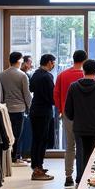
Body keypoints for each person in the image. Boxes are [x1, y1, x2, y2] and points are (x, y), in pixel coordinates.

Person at [63, 58, 95, 183]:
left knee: (80, 154)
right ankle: (93, 179)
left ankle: (80, 179)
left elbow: (68, 110)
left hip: (79, 127)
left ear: (83, 70)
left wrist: (77, 118)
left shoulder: (74, 87)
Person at [53, 49, 87, 189]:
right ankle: (82, 176)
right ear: (85, 60)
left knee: (69, 147)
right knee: (83, 146)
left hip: (67, 115)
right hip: (85, 116)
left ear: (73, 59)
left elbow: (56, 95)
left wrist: (61, 110)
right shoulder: (87, 76)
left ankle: (68, 177)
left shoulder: (62, 75)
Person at [0, 50, 31, 165]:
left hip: (7, 107)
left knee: (8, 132)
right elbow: (26, 94)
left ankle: (10, 156)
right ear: (19, 61)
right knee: (18, 134)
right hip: (19, 108)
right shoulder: (22, 75)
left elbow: (2, 93)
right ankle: (15, 157)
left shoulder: (2, 74)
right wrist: (29, 106)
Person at [28, 53, 57, 181]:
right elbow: (52, 96)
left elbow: (31, 88)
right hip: (44, 111)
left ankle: (36, 166)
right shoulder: (47, 76)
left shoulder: (35, 74)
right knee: (42, 140)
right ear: (49, 62)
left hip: (35, 109)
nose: (54, 65)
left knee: (36, 140)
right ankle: (38, 169)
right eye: (53, 62)